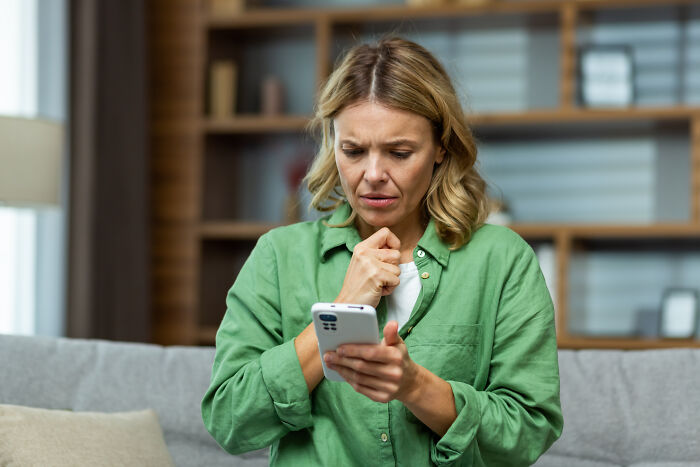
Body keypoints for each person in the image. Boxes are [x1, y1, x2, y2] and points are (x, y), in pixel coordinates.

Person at [201, 37, 563, 466]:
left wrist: (415, 387)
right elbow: (229, 421)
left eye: (399, 152)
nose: (373, 175)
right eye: (353, 151)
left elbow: (528, 432)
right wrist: (341, 309)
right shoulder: (279, 256)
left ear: (441, 148)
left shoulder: (501, 260)